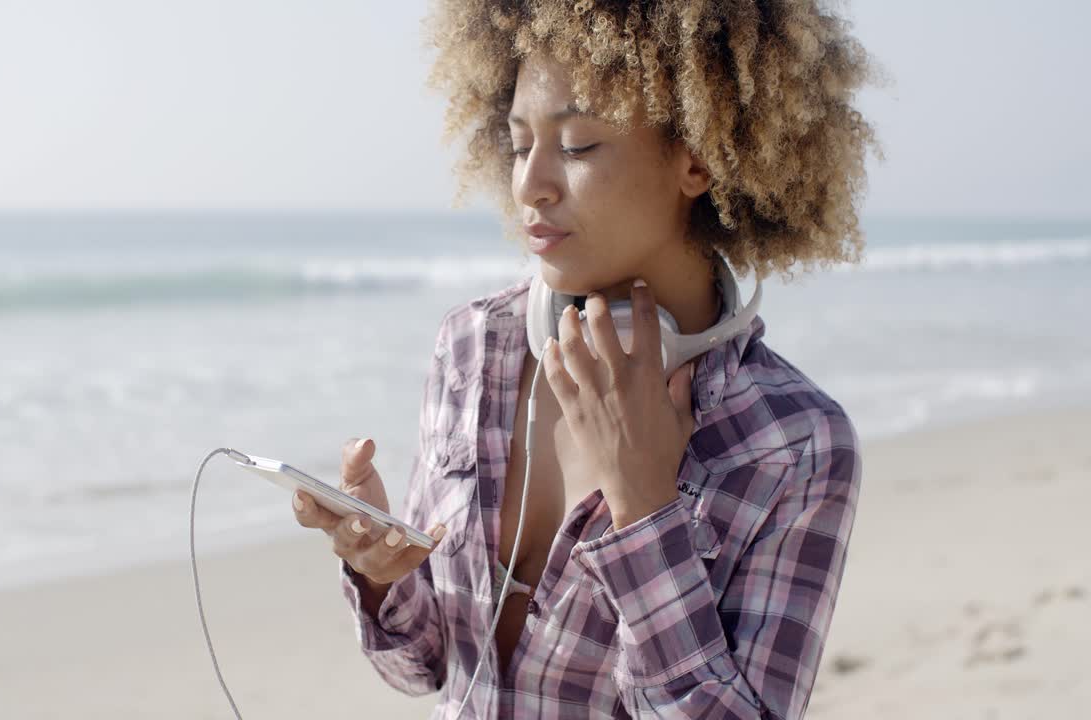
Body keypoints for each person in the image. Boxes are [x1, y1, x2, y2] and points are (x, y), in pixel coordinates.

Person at [292, 1, 874, 717]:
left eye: (575, 146)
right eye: (517, 145)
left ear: (698, 155)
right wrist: (382, 575)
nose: (529, 185)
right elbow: (427, 666)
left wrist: (644, 509)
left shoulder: (794, 446)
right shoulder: (475, 347)